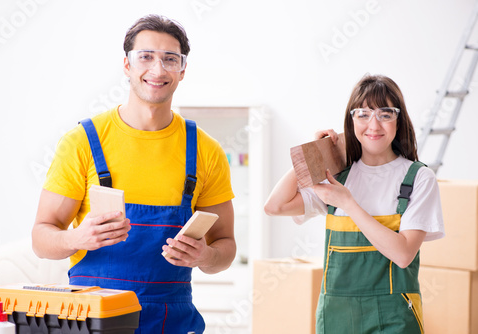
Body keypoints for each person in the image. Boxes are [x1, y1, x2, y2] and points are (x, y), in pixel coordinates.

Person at [32, 14, 236, 334]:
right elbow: (41, 239)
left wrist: (206, 255)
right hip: (92, 317)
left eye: (170, 59)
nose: (157, 70)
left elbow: (226, 246)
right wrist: (76, 238)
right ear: (127, 65)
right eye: (145, 57)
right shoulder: (83, 142)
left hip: (171, 320)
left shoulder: (205, 151)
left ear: (182, 70)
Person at [264, 74, 444, 333]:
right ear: (351, 120)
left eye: (385, 114)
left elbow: (403, 255)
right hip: (337, 317)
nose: (374, 125)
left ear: (398, 120)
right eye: (363, 114)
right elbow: (275, 206)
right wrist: (314, 152)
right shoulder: (338, 176)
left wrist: (348, 203)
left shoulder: (418, 178)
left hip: (395, 316)